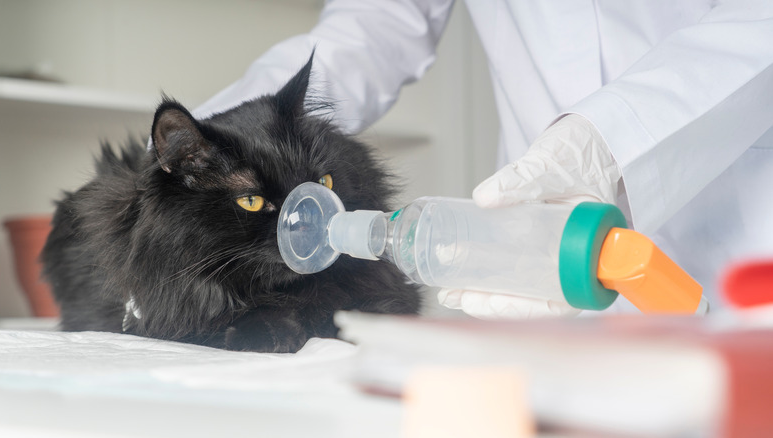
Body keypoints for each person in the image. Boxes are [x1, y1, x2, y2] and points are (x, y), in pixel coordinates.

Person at [192, 0, 773, 318]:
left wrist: (606, 141)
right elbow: (375, 22)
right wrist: (205, 146)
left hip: (744, 238)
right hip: (543, 246)